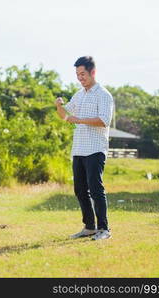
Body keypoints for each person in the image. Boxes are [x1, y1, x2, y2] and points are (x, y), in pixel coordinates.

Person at [56, 56, 114, 240]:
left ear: (93, 72)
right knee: (80, 189)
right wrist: (58, 106)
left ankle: (104, 229)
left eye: (83, 74)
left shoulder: (104, 95)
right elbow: (65, 116)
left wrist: (79, 119)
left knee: (96, 189)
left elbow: (104, 121)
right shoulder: (79, 94)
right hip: (79, 149)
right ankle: (89, 227)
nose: (80, 78)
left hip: (96, 149)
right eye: (77, 74)